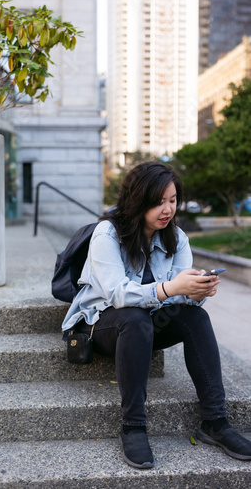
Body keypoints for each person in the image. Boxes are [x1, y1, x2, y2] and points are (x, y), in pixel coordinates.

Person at [62, 161, 251, 469]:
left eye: (173, 200)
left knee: (196, 318)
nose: (167, 209)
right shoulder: (107, 233)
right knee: (134, 317)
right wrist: (172, 287)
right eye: (158, 201)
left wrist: (196, 293)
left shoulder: (176, 238)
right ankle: (133, 426)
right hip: (100, 325)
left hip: (149, 323)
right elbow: (118, 295)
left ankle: (215, 423)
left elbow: (177, 297)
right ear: (138, 200)